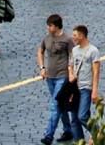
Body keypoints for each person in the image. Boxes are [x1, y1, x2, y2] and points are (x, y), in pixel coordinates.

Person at [35, 14, 72, 145]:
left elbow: (73, 56)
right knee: (61, 105)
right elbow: (40, 51)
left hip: (62, 77)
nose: (48, 27)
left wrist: (71, 74)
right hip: (50, 77)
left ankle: (48, 135)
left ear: (56, 26)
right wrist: (42, 67)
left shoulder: (67, 39)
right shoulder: (46, 38)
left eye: (50, 25)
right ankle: (68, 130)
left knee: (55, 105)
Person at [65, 24, 101, 141]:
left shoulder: (93, 51)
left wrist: (94, 90)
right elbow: (70, 65)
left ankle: (98, 133)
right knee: (74, 119)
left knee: (82, 116)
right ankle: (79, 142)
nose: (73, 37)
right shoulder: (74, 50)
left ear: (82, 36)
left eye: (75, 35)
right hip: (75, 88)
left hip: (86, 87)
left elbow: (96, 72)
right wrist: (71, 74)